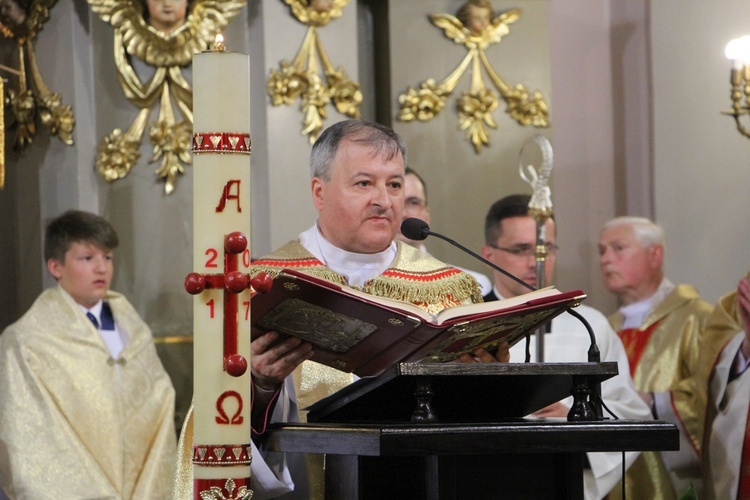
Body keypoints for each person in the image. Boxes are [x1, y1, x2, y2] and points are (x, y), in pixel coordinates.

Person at [173, 119, 505, 499]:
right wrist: (260, 388)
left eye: (394, 184)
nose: (384, 199)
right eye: (364, 183)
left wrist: (486, 382)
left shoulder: (450, 288)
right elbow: (214, 424)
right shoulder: (261, 286)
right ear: (319, 192)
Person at [480, 194, 652, 500]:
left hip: (565, 479)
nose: (537, 262)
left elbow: (629, 412)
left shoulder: (588, 326)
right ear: (489, 254)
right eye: (521, 250)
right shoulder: (464, 326)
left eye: (546, 249)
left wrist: (575, 415)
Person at [0, 210, 177, 498]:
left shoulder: (134, 331)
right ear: (55, 266)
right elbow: (27, 434)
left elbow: (160, 405)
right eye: (87, 258)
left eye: (107, 257)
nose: (101, 268)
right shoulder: (26, 340)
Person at [598, 216, 715, 499]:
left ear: (655, 255)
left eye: (618, 248)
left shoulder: (697, 318)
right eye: (601, 251)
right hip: (614, 478)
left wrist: (655, 402)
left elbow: (715, 395)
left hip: (671, 481)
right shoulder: (603, 329)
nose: (605, 259)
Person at [396, 166, 493, 295]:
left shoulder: (470, 285)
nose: (404, 213)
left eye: (413, 202)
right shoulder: (362, 283)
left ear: (427, 215)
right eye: (396, 202)